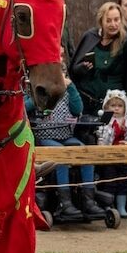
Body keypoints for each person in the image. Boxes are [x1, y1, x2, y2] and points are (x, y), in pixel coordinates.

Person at [70, 2, 127, 118]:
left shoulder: (125, 42)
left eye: (116, 20)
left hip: (112, 107)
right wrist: (81, 68)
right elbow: (74, 68)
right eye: (108, 20)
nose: (113, 24)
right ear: (101, 22)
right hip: (86, 103)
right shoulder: (90, 37)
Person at [26, 76, 99, 222]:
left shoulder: (66, 91)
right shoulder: (35, 89)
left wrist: (71, 87)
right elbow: (25, 107)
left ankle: (89, 201)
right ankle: (65, 203)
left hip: (66, 135)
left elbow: (78, 109)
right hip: (44, 135)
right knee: (61, 157)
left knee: (85, 154)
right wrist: (40, 95)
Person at [96, 89, 127, 218]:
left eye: (120, 106)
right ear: (106, 107)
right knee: (110, 181)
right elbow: (103, 138)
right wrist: (112, 129)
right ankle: (108, 206)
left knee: (123, 182)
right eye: (113, 106)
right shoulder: (104, 122)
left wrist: (126, 130)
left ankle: (121, 207)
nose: (116, 109)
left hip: (124, 156)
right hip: (109, 156)